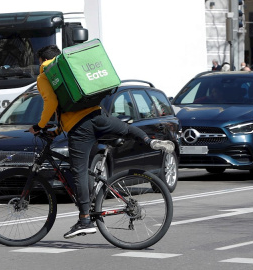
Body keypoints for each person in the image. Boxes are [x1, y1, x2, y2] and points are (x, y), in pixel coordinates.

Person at [29, 45, 174, 239]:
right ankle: (149, 141)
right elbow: (68, 106)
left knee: (78, 171)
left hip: (80, 128)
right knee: (127, 129)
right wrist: (56, 131)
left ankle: (85, 219)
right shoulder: (68, 70)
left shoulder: (45, 75)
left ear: (41, 60)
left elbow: (52, 104)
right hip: (98, 116)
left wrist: (39, 126)